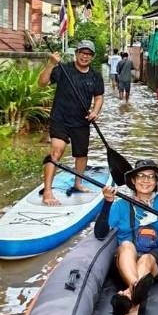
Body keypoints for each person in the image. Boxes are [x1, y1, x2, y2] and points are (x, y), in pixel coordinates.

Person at [95, 159, 158, 312]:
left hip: (153, 261)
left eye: (151, 176)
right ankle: (136, 288)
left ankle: (129, 293)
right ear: (133, 181)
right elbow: (100, 233)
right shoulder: (120, 205)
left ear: (156, 182)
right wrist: (108, 202)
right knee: (126, 245)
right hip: (125, 260)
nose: (145, 180)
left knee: (146, 259)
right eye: (141, 176)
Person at [38, 39, 104, 206]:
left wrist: (95, 111)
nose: (85, 56)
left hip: (81, 121)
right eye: (82, 52)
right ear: (76, 54)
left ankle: (78, 183)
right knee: (57, 151)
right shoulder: (63, 69)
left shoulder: (95, 76)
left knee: (81, 155)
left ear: (92, 57)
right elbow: (42, 83)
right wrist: (51, 64)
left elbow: (99, 97)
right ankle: (47, 191)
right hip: (60, 118)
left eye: (88, 54)